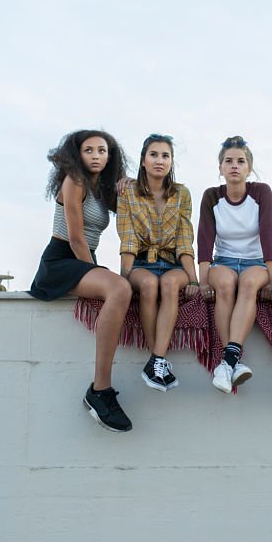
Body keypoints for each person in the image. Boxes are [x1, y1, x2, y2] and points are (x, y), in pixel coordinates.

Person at [27, 130, 136, 432]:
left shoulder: (100, 188)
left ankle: (101, 390)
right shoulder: (73, 181)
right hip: (62, 260)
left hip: (83, 259)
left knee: (123, 287)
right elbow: (76, 238)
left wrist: (128, 185)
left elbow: (134, 209)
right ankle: (100, 391)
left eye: (103, 151)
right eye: (89, 150)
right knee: (119, 287)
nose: (96, 156)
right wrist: (98, 274)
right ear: (77, 155)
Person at [117, 134, 199, 392]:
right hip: (142, 262)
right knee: (150, 285)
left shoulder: (181, 193)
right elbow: (128, 237)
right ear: (143, 161)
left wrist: (194, 279)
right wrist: (124, 276)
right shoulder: (128, 192)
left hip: (174, 263)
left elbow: (185, 238)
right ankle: (158, 361)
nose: (159, 160)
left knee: (170, 283)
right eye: (154, 155)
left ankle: (156, 360)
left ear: (171, 162)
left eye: (165, 156)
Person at [197, 136, 272, 394]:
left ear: (249, 168)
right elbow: (205, 239)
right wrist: (202, 280)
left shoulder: (261, 192)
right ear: (220, 168)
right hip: (224, 261)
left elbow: (268, 235)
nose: (234, 165)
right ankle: (233, 361)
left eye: (240, 161)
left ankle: (226, 362)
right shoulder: (211, 196)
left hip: (255, 262)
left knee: (249, 283)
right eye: (228, 161)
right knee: (226, 283)